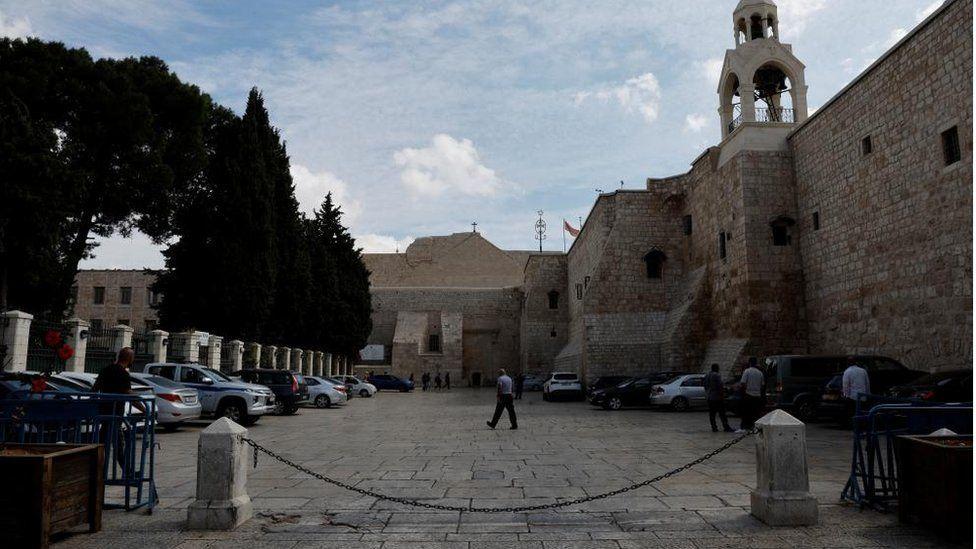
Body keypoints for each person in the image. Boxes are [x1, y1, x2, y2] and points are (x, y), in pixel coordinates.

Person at [92, 347, 145, 468]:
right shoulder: (123, 374)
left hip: (104, 413)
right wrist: (144, 409)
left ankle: (98, 471)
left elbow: (95, 388)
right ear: (130, 358)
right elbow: (128, 393)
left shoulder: (106, 369)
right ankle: (127, 472)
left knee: (103, 443)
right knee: (118, 446)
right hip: (115, 415)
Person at [736, 357, 764, 432]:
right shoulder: (760, 373)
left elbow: (743, 383)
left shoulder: (747, 371)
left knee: (746, 412)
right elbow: (762, 385)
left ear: (750, 363)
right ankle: (755, 427)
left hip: (748, 394)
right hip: (757, 395)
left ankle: (744, 427)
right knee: (755, 413)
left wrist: (743, 392)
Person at [704, 363, 733, 432]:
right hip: (717, 397)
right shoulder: (716, 375)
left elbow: (705, 385)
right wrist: (723, 395)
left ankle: (714, 427)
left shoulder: (707, 375)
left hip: (710, 397)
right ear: (716, 368)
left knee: (712, 414)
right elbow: (720, 386)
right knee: (722, 413)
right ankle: (726, 427)